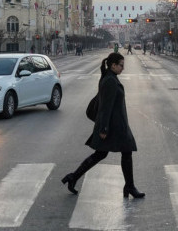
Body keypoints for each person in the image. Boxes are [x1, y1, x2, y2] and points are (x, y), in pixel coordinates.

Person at [61, 52, 144, 199]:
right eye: (121, 65)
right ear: (113, 65)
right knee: (118, 152)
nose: (123, 68)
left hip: (116, 124)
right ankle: (129, 186)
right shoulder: (110, 81)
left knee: (110, 153)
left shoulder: (110, 78)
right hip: (113, 126)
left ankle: (74, 177)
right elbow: (105, 107)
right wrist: (104, 128)